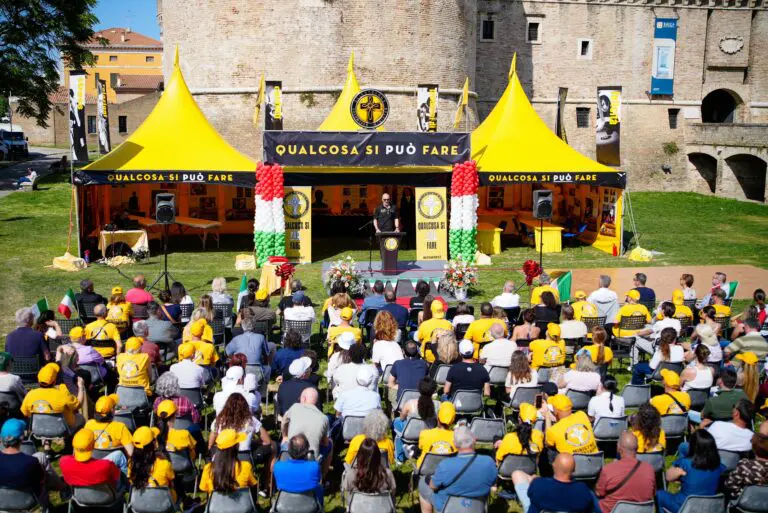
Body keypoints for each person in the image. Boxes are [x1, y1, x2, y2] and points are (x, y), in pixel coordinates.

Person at [418, 426, 496, 513]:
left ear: (454, 444)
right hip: (478, 507)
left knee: (422, 483)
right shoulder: (489, 462)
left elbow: (433, 486)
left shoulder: (446, 465)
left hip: (448, 507)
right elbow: (493, 484)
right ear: (474, 440)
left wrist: (428, 479)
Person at [209, 393, 274, 487]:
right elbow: (267, 441)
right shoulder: (251, 420)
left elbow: (211, 443)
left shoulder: (219, 420)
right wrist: (253, 442)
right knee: (273, 447)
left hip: (222, 456)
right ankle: (267, 482)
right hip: (245, 456)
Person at [0, 418, 67, 507]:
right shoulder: (31, 462)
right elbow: (42, 480)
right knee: (41, 460)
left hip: (2, 503)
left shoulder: (31, 462)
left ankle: (62, 488)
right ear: (22, 437)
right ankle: (63, 489)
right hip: (28, 502)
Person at [657, 430, 725, 513]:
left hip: (685, 506)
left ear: (692, 446)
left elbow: (668, 477)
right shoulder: (719, 465)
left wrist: (678, 471)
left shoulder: (685, 463)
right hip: (710, 507)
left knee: (659, 495)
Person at [512, 453, 597, 513]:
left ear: (553, 466)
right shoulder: (583, 490)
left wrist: (535, 480)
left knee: (517, 474)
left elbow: (530, 495)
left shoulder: (538, 485)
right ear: (574, 469)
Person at [595, 431, 656, 513]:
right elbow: (653, 493)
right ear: (637, 448)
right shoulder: (649, 469)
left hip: (611, 510)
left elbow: (599, 493)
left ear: (618, 448)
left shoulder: (608, 469)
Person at [21, 363, 84, 432]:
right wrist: (81, 387)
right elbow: (78, 405)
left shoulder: (30, 394)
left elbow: (25, 413)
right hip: (61, 429)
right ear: (54, 381)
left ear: (39, 381)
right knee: (81, 418)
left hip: (39, 429)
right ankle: (71, 441)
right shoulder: (62, 394)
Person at [128, 426, 180, 505]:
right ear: (153, 443)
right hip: (162, 505)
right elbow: (172, 484)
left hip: (139, 504)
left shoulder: (132, 464)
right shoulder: (164, 464)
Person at [199, 429, 258, 500]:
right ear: (236, 446)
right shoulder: (245, 466)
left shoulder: (208, 468)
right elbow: (253, 486)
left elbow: (204, 489)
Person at [282, 388, 332, 466]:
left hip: (291, 452)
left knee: (283, 443)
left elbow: (284, 422)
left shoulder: (295, 407)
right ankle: (321, 474)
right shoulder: (324, 418)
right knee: (330, 443)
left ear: (304, 398)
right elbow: (325, 443)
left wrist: (285, 436)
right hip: (311, 458)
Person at [393, 378, 437, 462]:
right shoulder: (438, 405)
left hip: (410, 433)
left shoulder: (410, 403)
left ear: (419, 389)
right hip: (430, 433)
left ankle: (400, 457)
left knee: (397, 421)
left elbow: (402, 418)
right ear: (433, 390)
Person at [273, 434, 324, 506]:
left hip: (284, 505)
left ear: (289, 450)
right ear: (307, 451)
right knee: (319, 488)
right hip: (309, 506)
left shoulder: (278, 466)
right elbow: (318, 480)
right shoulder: (314, 467)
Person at [85, 394, 134, 463]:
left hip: (93, 462)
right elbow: (130, 451)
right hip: (112, 466)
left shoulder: (88, 424)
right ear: (112, 411)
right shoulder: (120, 427)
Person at [724, 421, 768, 498]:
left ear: (754, 449)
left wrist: (743, 494)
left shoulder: (745, 465)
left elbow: (730, 484)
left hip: (746, 502)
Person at [416, 402, 457, 468]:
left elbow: (420, 447)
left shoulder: (424, 434)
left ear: (438, 417)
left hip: (426, 469)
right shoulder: (457, 437)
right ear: (453, 420)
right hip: (448, 469)